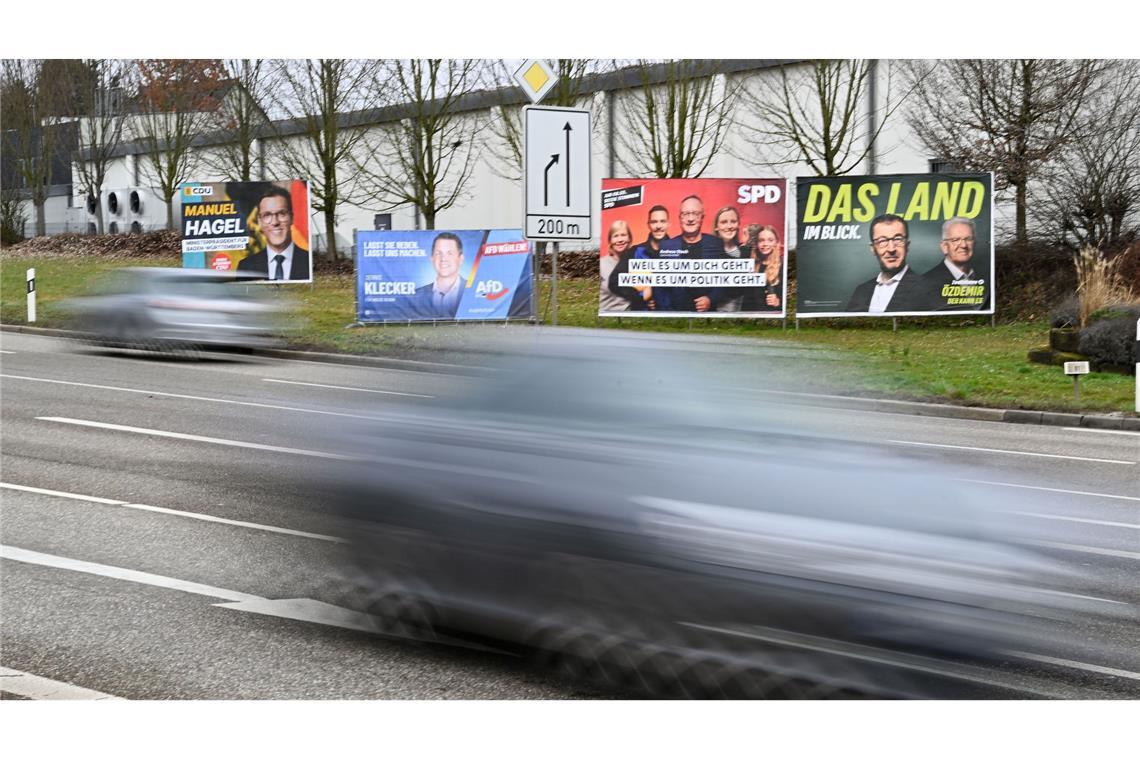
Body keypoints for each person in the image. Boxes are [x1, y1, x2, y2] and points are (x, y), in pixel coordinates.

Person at [845, 214, 926, 313]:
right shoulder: (861, 291)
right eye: (882, 241)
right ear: (873, 248)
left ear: (907, 245)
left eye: (898, 239)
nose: (891, 249)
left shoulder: (926, 288)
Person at [656, 195, 721, 312]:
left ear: (702, 217)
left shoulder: (715, 244)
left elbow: (725, 280)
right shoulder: (667, 247)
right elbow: (659, 286)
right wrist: (668, 313)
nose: (690, 219)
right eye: (686, 214)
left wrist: (710, 299)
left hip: (707, 318)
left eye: (695, 213)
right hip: (675, 317)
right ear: (680, 218)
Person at [237, 186, 311, 281]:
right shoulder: (245, 267)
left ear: (292, 218)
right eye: (267, 215)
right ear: (260, 221)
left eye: (282, 214)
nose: (275, 222)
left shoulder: (308, 262)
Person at [607, 204, 669, 310]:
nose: (658, 226)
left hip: (672, 316)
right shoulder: (635, 251)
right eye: (654, 222)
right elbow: (614, 281)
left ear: (668, 224)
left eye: (662, 221)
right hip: (641, 315)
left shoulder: (679, 250)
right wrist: (640, 297)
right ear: (648, 224)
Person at [922, 217, 990, 310]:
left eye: (968, 239)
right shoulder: (926, 283)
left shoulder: (987, 278)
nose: (963, 245)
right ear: (944, 247)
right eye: (956, 240)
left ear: (975, 243)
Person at [413, 232, 467, 319]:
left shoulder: (472, 291)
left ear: (460, 259)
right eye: (438, 253)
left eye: (450, 253)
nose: (443, 259)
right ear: (432, 259)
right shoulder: (416, 296)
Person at [710, 206, 748, 312]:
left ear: (738, 224)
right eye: (724, 222)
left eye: (733, 221)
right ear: (716, 227)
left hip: (742, 310)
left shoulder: (745, 250)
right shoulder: (710, 249)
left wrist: (745, 248)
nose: (729, 226)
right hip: (715, 308)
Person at [741, 224, 784, 312]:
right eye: (761, 240)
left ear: (776, 242)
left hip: (770, 317)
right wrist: (746, 241)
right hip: (748, 316)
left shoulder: (782, 266)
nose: (765, 244)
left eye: (770, 240)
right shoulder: (751, 262)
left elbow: (789, 299)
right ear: (757, 244)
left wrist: (778, 302)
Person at [600, 220, 635, 312]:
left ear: (629, 238)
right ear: (610, 240)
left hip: (632, 317)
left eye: (623, 235)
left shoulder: (636, 262)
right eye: (615, 236)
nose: (620, 240)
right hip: (608, 315)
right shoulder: (601, 264)